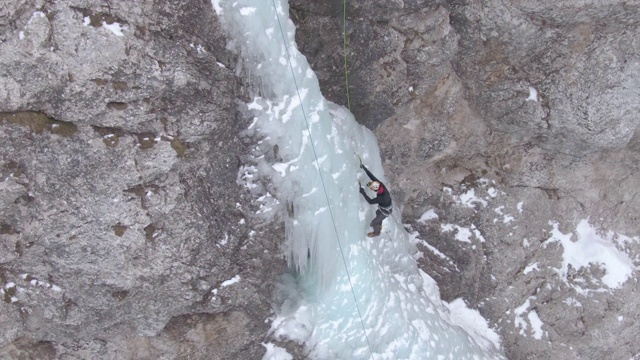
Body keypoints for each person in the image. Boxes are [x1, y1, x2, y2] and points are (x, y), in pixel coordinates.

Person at [359, 163, 392, 237]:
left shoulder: (382, 198)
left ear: (375, 190)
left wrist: (363, 192)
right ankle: (379, 225)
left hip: (386, 211)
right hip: (385, 207)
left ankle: (377, 232)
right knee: (377, 212)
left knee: (374, 222)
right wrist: (364, 168)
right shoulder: (380, 185)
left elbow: (370, 201)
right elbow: (372, 176)